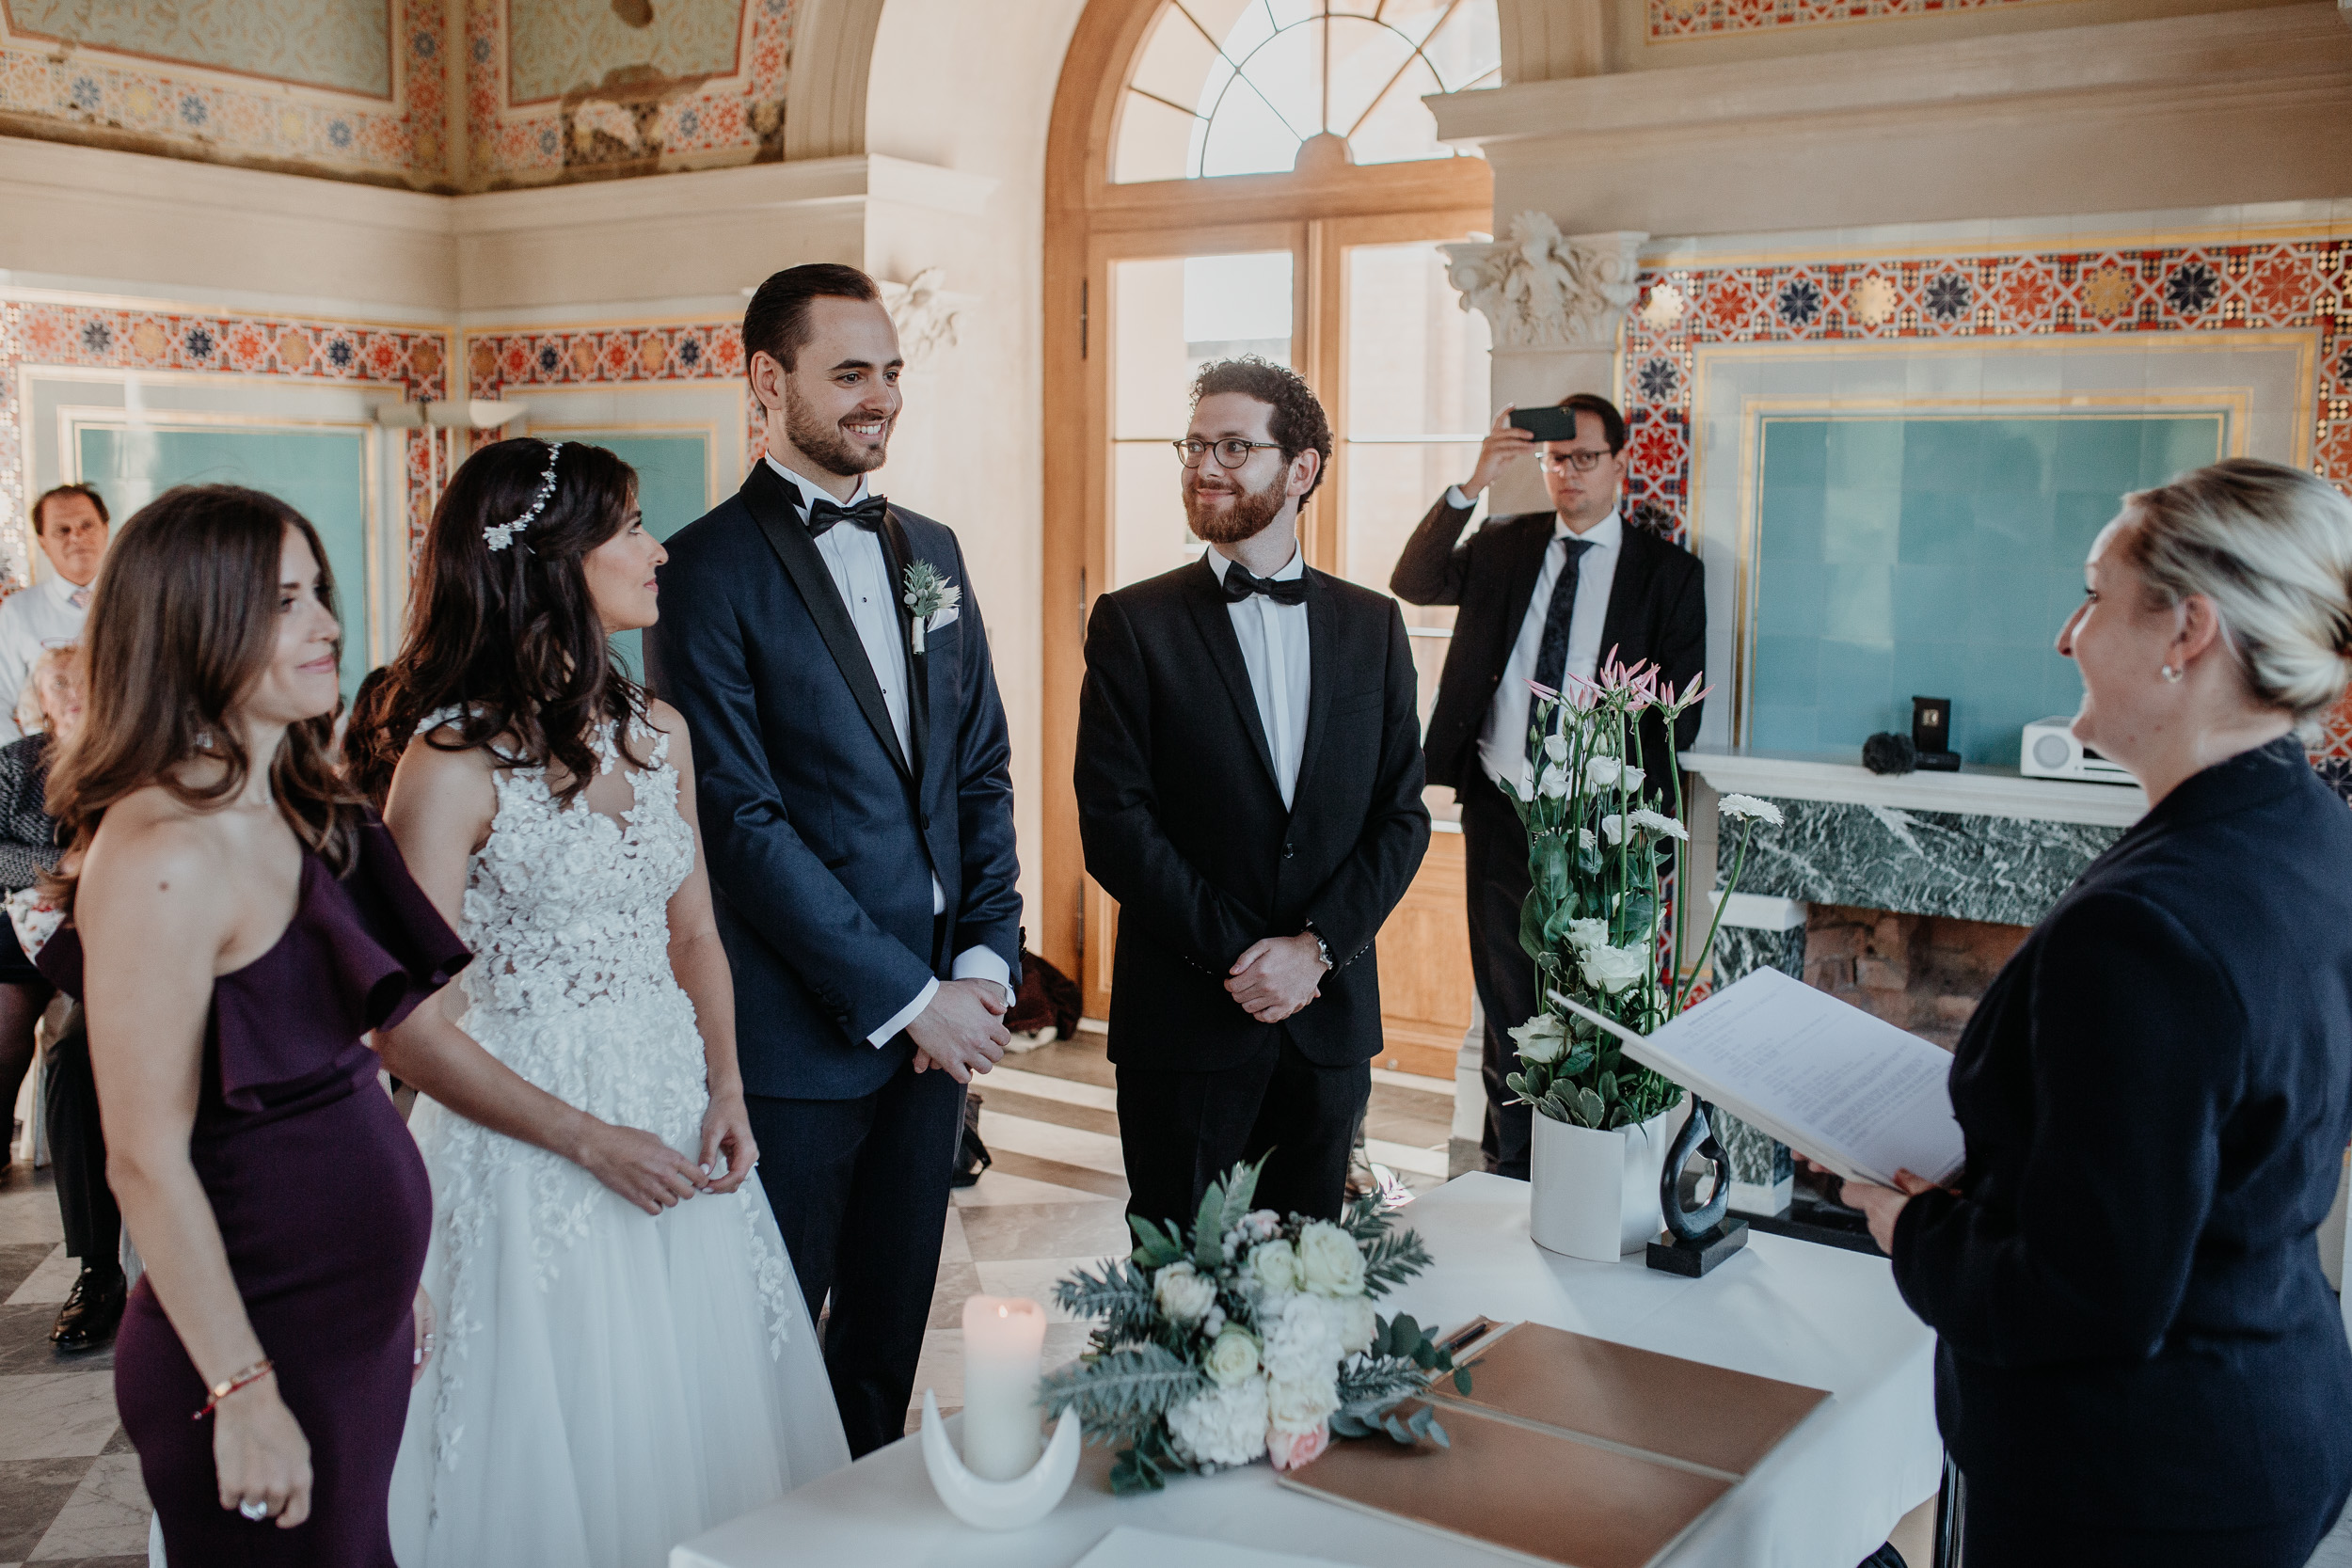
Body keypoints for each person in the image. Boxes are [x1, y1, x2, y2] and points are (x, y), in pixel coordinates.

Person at [1830, 458, 2352, 1564]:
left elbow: (2081, 1298)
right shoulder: (2312, 832)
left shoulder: (2143, 928)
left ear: (2186, 631)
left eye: (2093, 595)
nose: (2066, 635)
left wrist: (1907, 1226)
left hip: (2134, 1479)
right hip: (2271, 1402)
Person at [351, 438, 849, 1565]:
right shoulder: (448, 764)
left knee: (692, 1419)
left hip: (675, 1118)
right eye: (629, 527)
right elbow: (406, 1024)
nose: (657, 548)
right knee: (566, 1425)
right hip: (527, 1147)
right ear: (552, 559)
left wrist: (726, 1087)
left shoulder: (658, 730)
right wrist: (586, 1138)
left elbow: (694, 933)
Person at [37, 484, 465, 1563]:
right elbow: (143, 1155)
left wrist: (384, 1281)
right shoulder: (162, 849)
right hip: (254, 1334)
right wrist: (241, 1385)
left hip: (344, 1319)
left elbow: (328, 1068)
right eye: (283, 601)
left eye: (318, 591)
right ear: (192, 622)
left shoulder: (291, 801)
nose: (327, 623)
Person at [646, 263, 1022, 1458]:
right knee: (763, 1361)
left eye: (891, 372)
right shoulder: (701, 568)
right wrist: (906, 996)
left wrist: (980, 967)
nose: (881, 398)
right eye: (850, 373)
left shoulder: (934, 550)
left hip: (940, 1034)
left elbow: (979, 771)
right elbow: (738, 821)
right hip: (798, 1046)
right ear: (768, 380)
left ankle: (859, 1527)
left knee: (883, 1347)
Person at [1077, 357, 1429, 1227]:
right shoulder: (1134, 622)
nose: (1206, 466)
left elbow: (1401, 817)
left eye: (1234, 447)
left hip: (1328, 1023)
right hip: (1187, 1026)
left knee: (1311, 1277)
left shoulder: (1373, 625)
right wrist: (1250, 960)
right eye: (1195, 446)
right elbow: (1117, 824)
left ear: (1301, 468)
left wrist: (1315, 951)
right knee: (1178, 1281)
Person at [1391, 395, 1705, 1180]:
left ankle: (1579, 1169)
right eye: (1556, 459)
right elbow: (1414, 580)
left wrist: (1631, 817)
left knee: (1585, 997)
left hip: (1598, 821)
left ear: (1621, 463)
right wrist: (1475, 481)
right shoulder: (1504, 543)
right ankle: (1512, 1171)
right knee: (1506, 993)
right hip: (1502, 800)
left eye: (1585, 458)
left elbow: (1679, 720)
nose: (1568, 474)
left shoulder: (1669, 573)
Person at [0, 646, 122, 1351]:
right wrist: (54, 867)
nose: (74, 692)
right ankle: (98, 1269)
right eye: (59, 684)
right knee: (59, 1052)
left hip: (120, 931)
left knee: (79, 1047)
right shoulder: (17, 763)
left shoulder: (127, 751)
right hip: (33, 921)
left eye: (85, 680)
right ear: (40, 699)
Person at [0, 483, 108, 744]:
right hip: (48, 762)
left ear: (105, 530)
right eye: (63, 530)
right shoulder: (18, 611)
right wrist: (27, 760)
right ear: (42, 542)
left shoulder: (140, 602)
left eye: (87, 526)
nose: (77, 537)